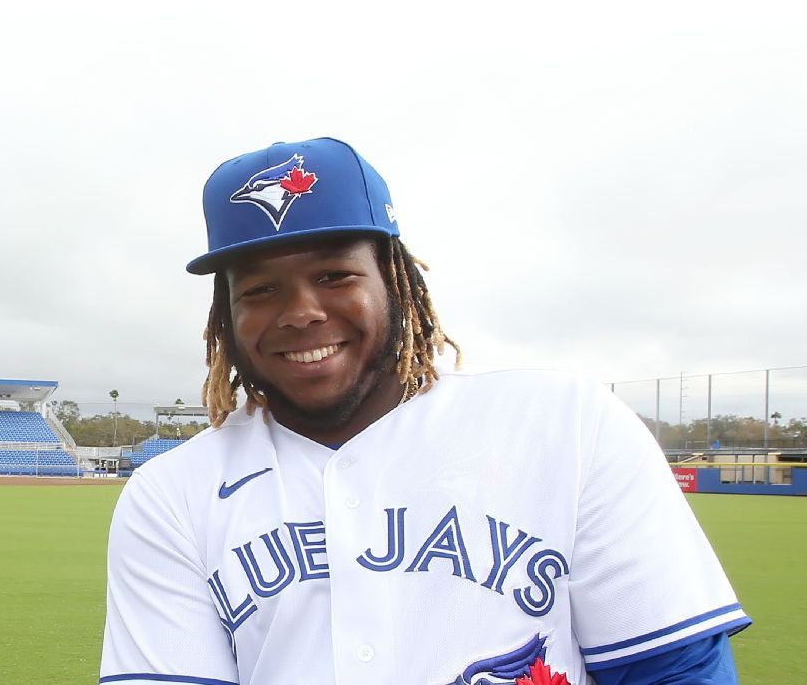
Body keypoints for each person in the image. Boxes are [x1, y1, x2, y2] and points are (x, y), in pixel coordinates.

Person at [100, 138, 749, 685]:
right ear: (228, 318)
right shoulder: (172, 494)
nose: (300, 311)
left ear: (396, 279)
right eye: (262, 288)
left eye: (334, 275)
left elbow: (678, 667)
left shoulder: (567, 423)